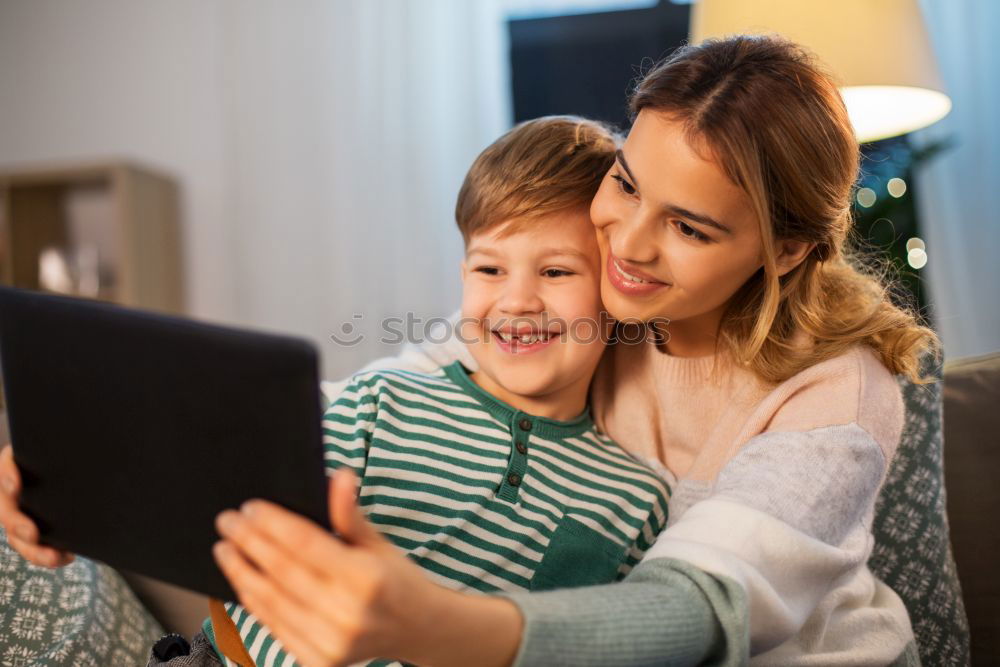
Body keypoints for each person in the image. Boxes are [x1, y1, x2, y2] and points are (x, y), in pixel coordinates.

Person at [2, 35, 937, 666]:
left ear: (786, 248)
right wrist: (90, 468)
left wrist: (424, 619)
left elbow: (701, 608)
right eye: (624, 181)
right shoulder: (597, 299)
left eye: (688, 227)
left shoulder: (836, 397)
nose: (628, 240)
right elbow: (366, 396)